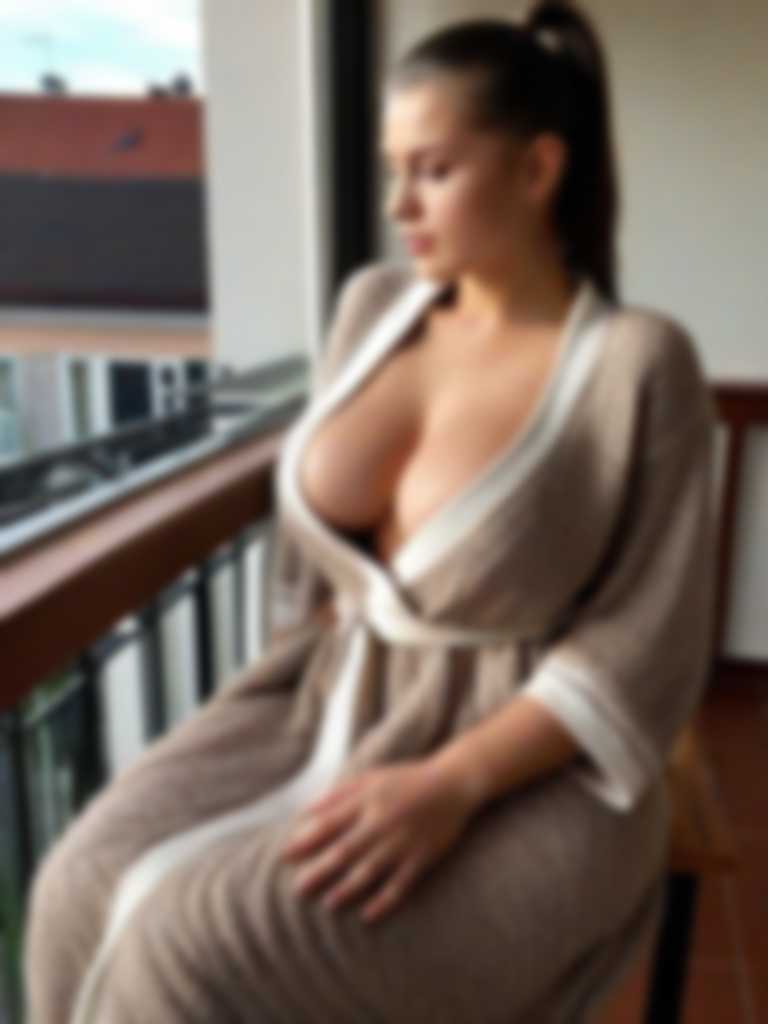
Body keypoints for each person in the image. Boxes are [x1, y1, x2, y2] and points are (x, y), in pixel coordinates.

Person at [23, 2, 718, 1021]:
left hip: (532, 765)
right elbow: (309, 569)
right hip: (327, 695)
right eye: (393, 170)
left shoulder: (636, 364)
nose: (399, 204)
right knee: (74, 886)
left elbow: (644, 642)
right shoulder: (371, 310)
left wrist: (451, 785)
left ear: (537, 169)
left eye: (432, 171)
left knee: (198, 946)